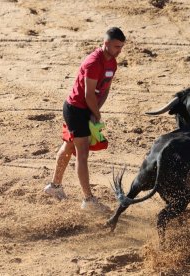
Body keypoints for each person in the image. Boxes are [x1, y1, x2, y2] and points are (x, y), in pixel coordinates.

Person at [44, 27, 126, 213]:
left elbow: (104, 90)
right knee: (82, 154)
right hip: (75, 109)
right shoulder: (93, 63)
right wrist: (96, 114)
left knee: (68, 147)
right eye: (116, 47)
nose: (119, 51)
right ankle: (88, 200)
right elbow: (89, 95)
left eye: (121, 47)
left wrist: (95, 111)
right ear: (106, 44)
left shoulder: (112, 63)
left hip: (86, 110)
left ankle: (54, 187)